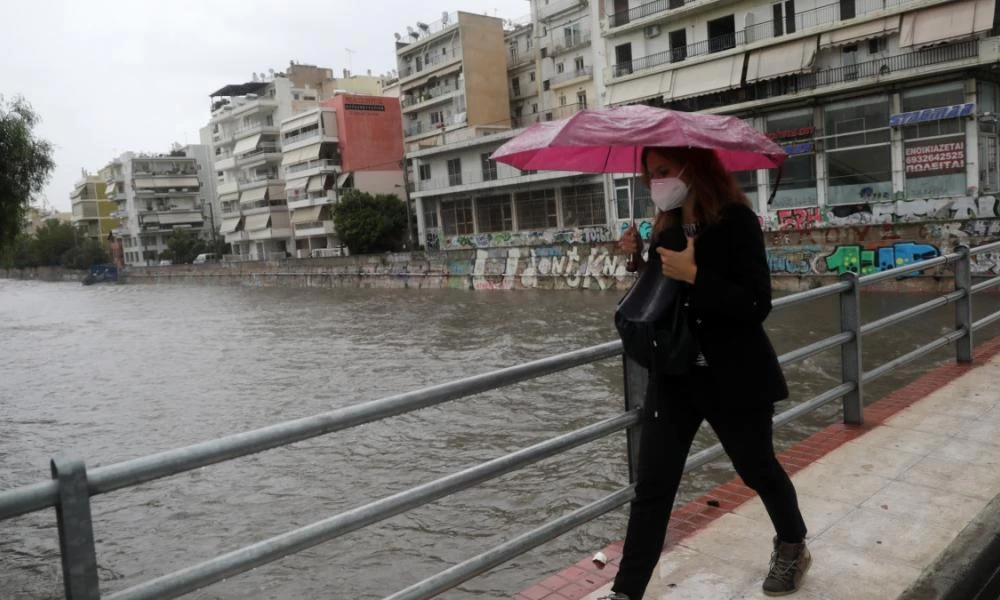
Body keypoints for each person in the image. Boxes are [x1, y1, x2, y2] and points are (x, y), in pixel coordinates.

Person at [601, 146, 810, 599]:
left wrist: (697, 274)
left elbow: (757, 303)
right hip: (675, 376)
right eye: (649, 175)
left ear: (691, 168)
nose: (655, 182)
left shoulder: (736, 221)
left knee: (758, 470)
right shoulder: (666, 225)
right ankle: (626, 590)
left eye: (662, 171)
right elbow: (661, 298)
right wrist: (637, 260)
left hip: (733, 374)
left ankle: (792, 543)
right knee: (653, 488)